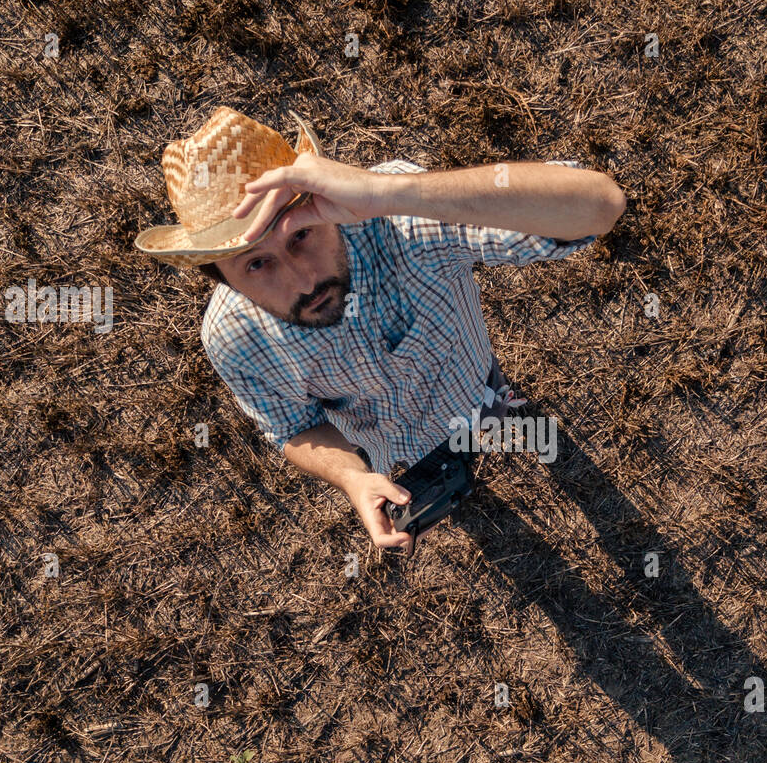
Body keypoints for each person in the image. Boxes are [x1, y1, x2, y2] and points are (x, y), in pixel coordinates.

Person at [135, 107, 625, 551]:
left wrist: (387, 193)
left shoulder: (401, 218)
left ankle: (496, 414)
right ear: (224, 281)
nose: (305, 281)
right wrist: (353, 478)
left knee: (498, 412)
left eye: (301, 234)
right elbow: (291, 426)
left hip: (478, 386)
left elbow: (600, 205)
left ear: (319, 197)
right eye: (257, 265)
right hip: (392, 452)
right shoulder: (232, 339)